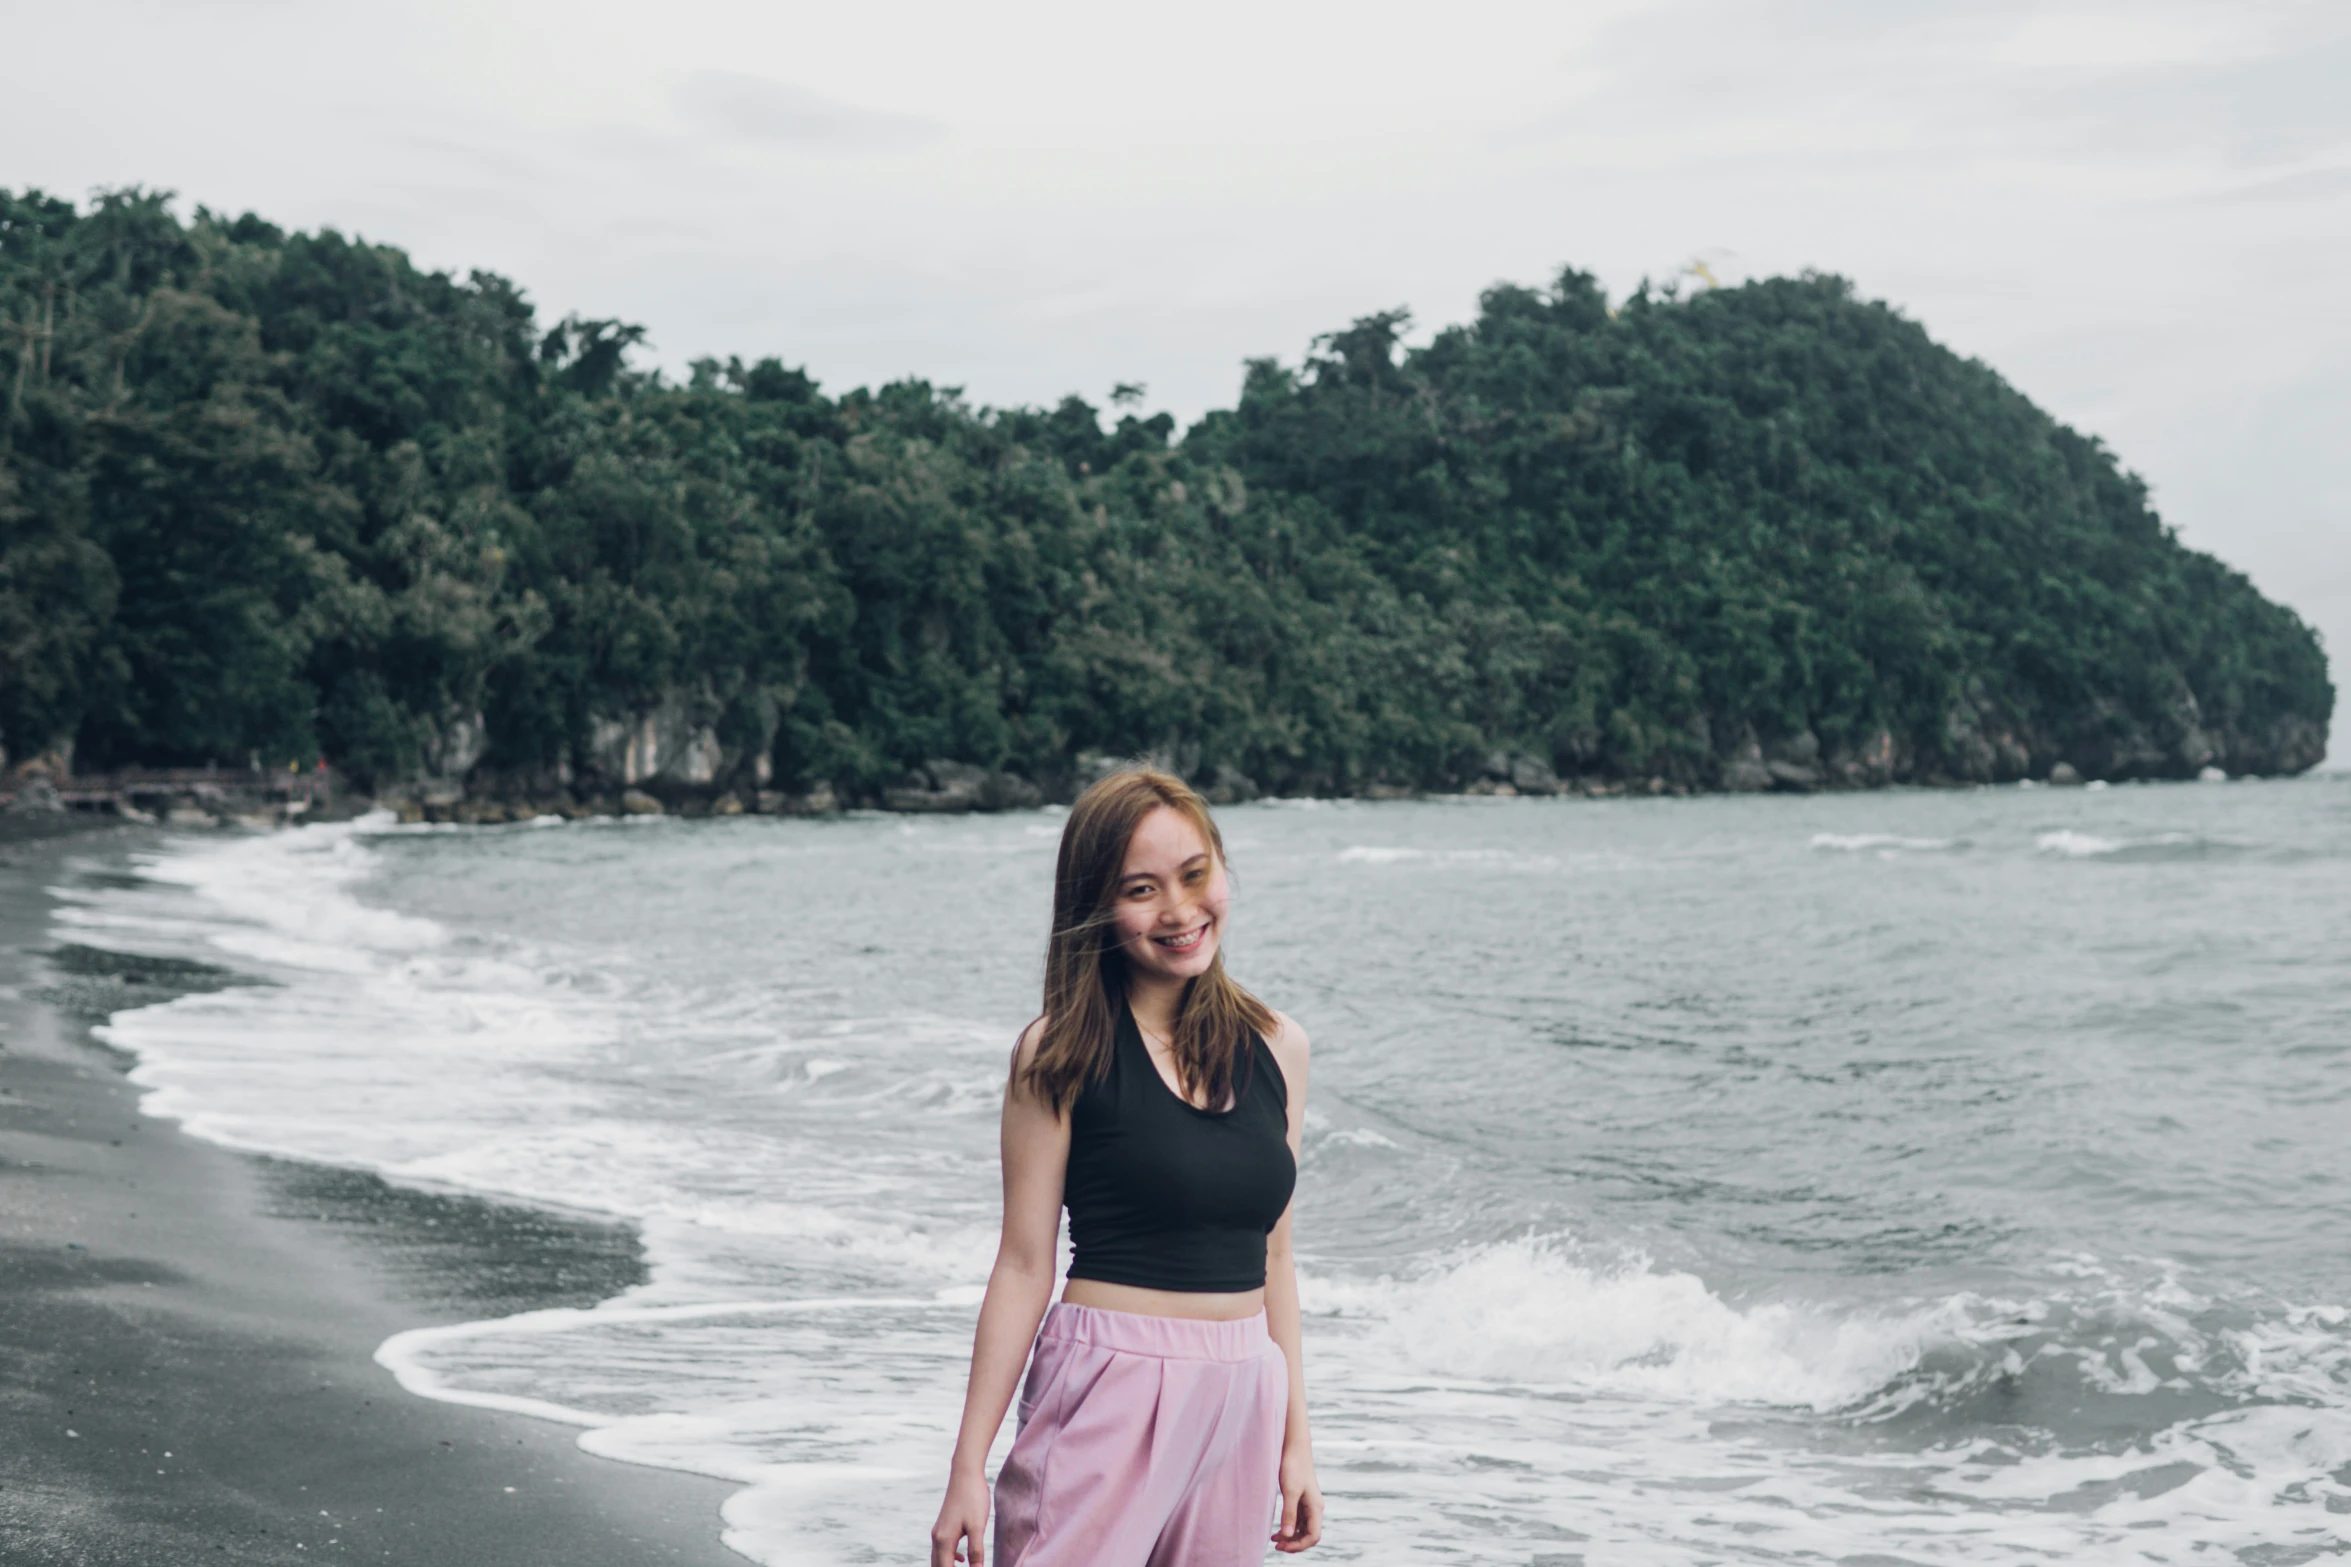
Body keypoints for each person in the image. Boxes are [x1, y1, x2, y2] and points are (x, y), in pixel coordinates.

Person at [930, 768, 1323, 1566]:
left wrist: (1295, 1442)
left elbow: (1275, 1254)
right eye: (1141, 889)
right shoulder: (1060, 1052)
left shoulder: (1280, 1044)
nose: (1179, 911)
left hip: (1244, 1390)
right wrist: (966, 1465)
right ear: (1097, 908)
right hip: (1110, 1382)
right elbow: (1022, 1262)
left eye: (1194, 874)